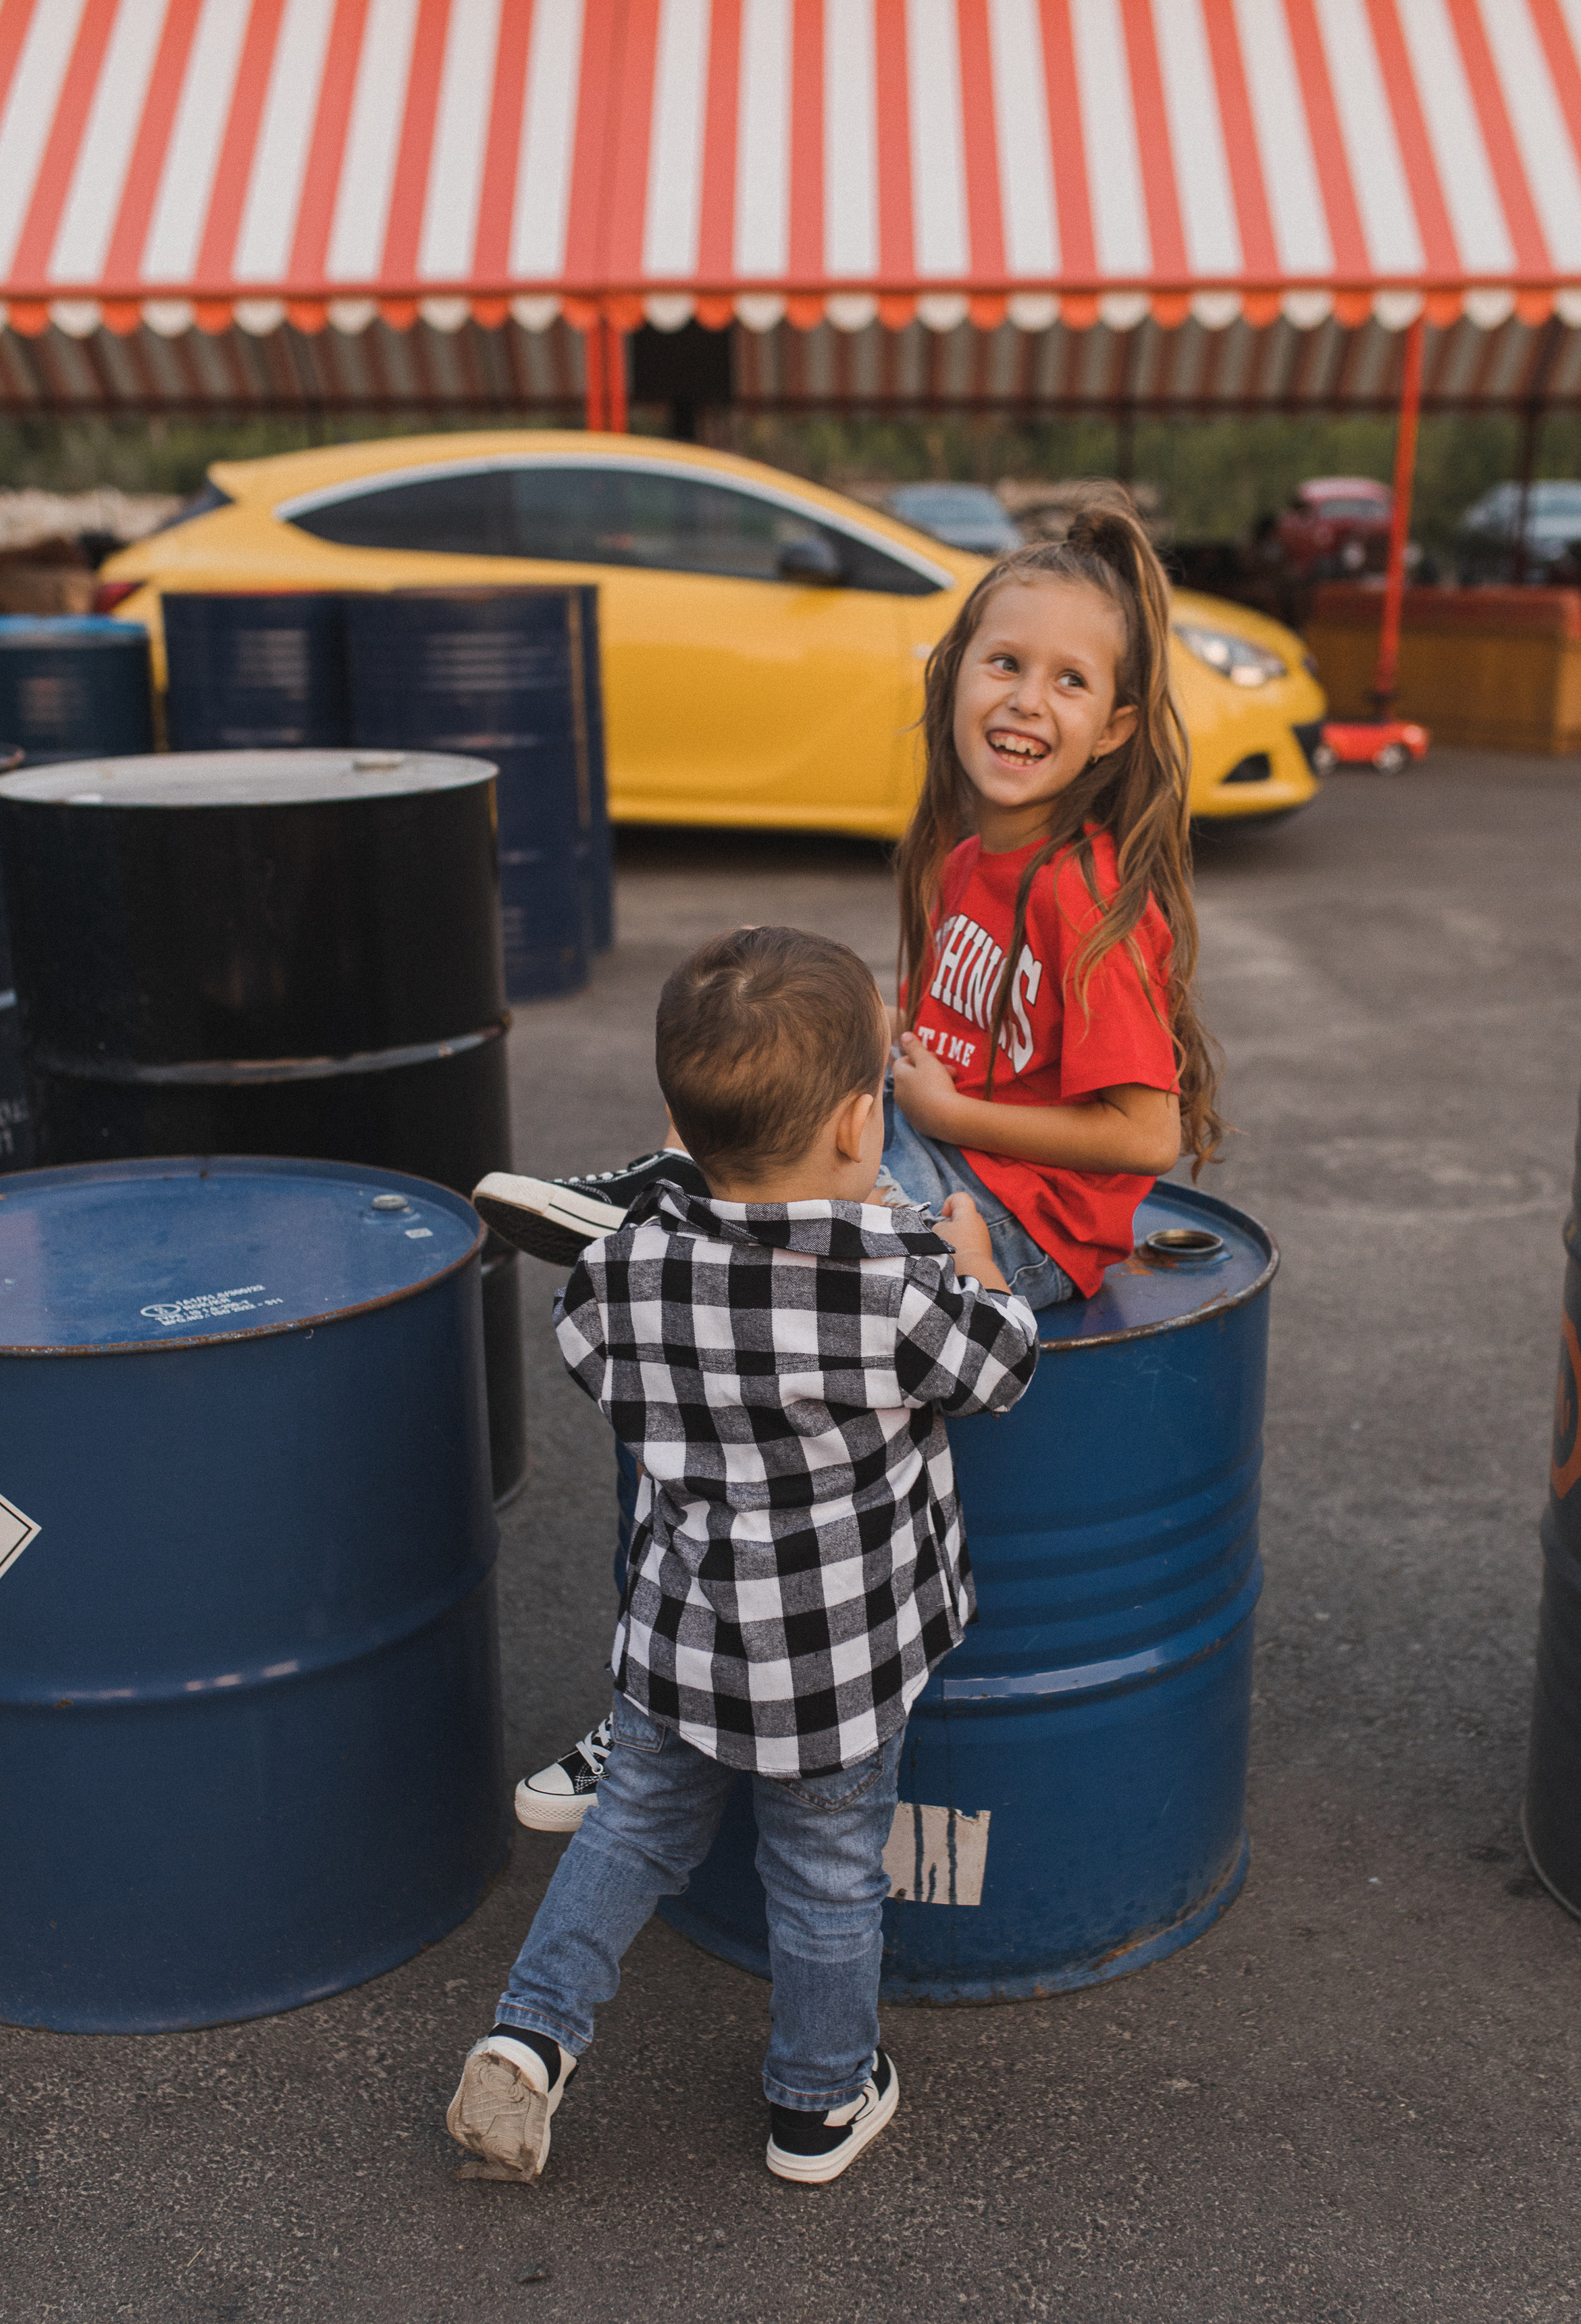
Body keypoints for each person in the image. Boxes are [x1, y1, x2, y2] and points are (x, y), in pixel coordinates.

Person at [478, 486, 1220, 1827]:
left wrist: (950, 1114)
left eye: (1067, 681)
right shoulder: (952, 850)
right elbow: (941, 1033)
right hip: (928, 1156)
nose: (1025, 700)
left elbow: (1146, 1135)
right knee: (769, 1031)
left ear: (1111, 729)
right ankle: (668, 1212)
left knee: (708, 1297)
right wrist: (865, 1042)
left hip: (1020, 1225)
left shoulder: (1079, 889)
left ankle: (665, 1228)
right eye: (1003, 663)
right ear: (952, 680)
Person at [446, 927, 1038, 2187]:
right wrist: (981, 1271)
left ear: (675, 1120)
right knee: (827, 1874)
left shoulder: (621, 1273)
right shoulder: (894, 1286)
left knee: (628, 1836)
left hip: (682, 1642)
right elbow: (1001, 1369)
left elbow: (597, 1354)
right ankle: (819, 2105)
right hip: (835, 1668)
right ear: (858, 1124)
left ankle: (529, 2035)